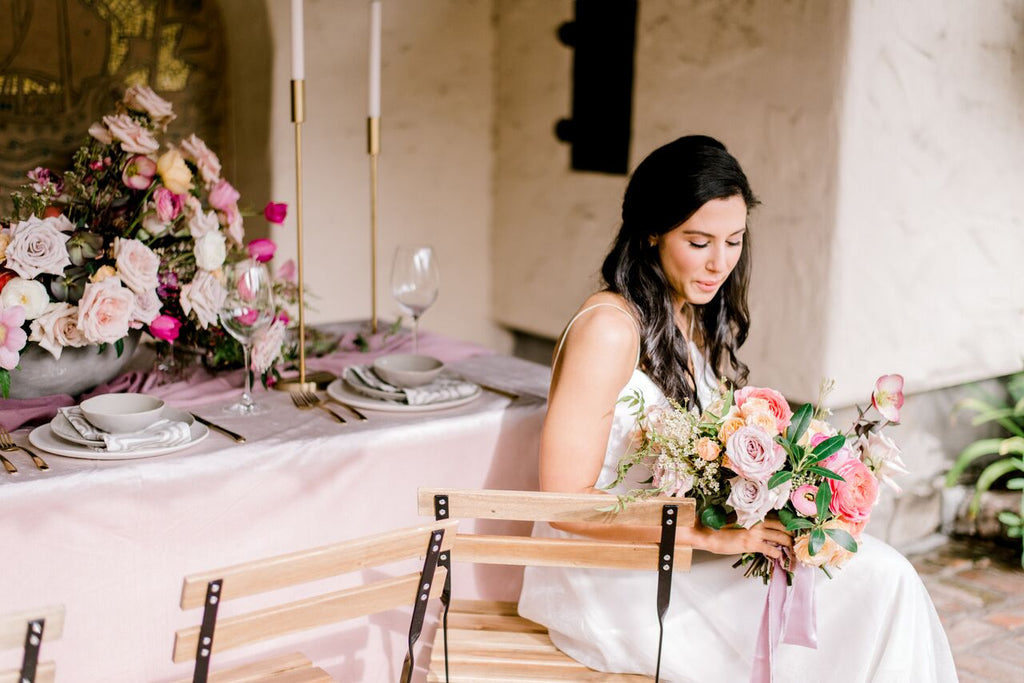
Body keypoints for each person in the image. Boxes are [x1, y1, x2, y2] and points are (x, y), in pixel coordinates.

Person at [517, 135, 957, 682]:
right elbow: (562, 505)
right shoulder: (610, 329)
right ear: (652, 231)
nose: (720, 263)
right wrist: (711, 535)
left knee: (880, 575)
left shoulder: (688, 315)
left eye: (734, 240)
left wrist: (783, 493)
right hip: (617, 586)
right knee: (880, 583)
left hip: (680, 555)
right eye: (698, 241)